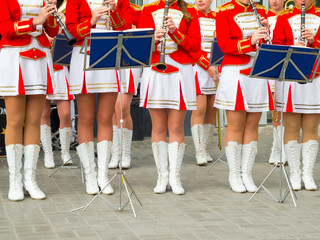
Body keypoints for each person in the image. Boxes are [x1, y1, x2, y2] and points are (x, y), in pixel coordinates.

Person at [66, 0, 132, 195]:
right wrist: (92, 19)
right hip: (83, 55)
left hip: (110, 56)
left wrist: (114, 11)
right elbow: (69, 30)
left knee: (105, 119)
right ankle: (90, 175)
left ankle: (103, 175)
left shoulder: (121, 1)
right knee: (86, 119)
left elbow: (127, 29)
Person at [138, 0, 201, 194]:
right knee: (158, 126)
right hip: (155, 69)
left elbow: (195, 46)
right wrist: (154, 39)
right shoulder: (147, 10)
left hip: (181, 71)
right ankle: (161, 176)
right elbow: (140, 46)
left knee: (175, 126)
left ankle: (175, 177)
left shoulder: (190, 11)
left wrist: (176, 32)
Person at [0, 0, 59, 201]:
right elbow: (4, 28)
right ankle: (15, 181)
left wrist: (51, 13)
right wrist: (36, 21)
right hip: (15, 56)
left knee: (35, 120)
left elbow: (53, 28)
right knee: (15, 120)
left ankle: (30, 180)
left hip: (40, 56)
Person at [215, 0, 274, 193]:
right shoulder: (223, 12)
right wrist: (250, 40)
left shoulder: (261, 10)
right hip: (235, 72)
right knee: (236, 124)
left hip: (257, 71)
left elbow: (266, 44)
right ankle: (234, 174)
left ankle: (247, 173)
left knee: (252, 124)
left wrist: (266, 32)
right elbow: (224, 46)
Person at [272, 0, 320, 191]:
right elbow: (276, 46)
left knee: (311, 125)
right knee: (291, 125)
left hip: (315, 75)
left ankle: (307, 174)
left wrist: (313, 41)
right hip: (290, 77)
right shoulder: (283, 17)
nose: (302, 0)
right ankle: (294, 174)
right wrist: (293, 45)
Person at [109, 3, 142, 170]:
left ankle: (126, 153)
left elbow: (126, 27)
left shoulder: (136, 9)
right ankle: (116, 153)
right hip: (108, 58)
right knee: (113, 109)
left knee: (122, 107)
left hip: (129, 60)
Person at [40, 11, 74, 169]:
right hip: (42, 65)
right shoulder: (36, 13)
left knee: (66, 113)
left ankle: (65, 152)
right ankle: (48, 153)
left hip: (61, 67)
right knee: (43, 113)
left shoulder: (63, 16)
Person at [190, 0, 217, 166]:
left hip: (216, 65)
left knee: (212, 108)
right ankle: (199, 151)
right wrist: (206, 65)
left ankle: (206, 149)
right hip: (198, 67)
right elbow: (191, 46)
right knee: (199, 108)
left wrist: (218, 63)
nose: (200, 0)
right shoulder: (191, 16)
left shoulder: (218, 16)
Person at [267, 0, 286, 165]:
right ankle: (276, 148)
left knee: (287, 110)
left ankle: (283, 148)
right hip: (271, 68)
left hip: (285, 68)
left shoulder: (288, 16)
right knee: (275, 110)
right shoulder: (263, 16)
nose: (274, 1)